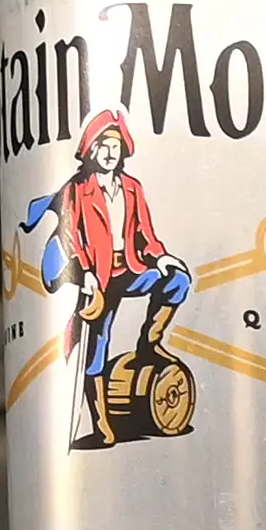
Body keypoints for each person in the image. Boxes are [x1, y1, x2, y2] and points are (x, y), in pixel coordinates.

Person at [22, 109, 191, 445]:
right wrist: (83, 272)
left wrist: (161, 256)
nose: (110, 152)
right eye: (103, 145)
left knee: (178, 281)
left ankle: (150, 342)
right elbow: (72, 237)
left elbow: (145, 232)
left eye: (115, 146)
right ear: (90, 150)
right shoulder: (77, 189)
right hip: (97, 276)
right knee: (97, 347)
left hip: (129, 267)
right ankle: (103, 426)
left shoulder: (131, 188)